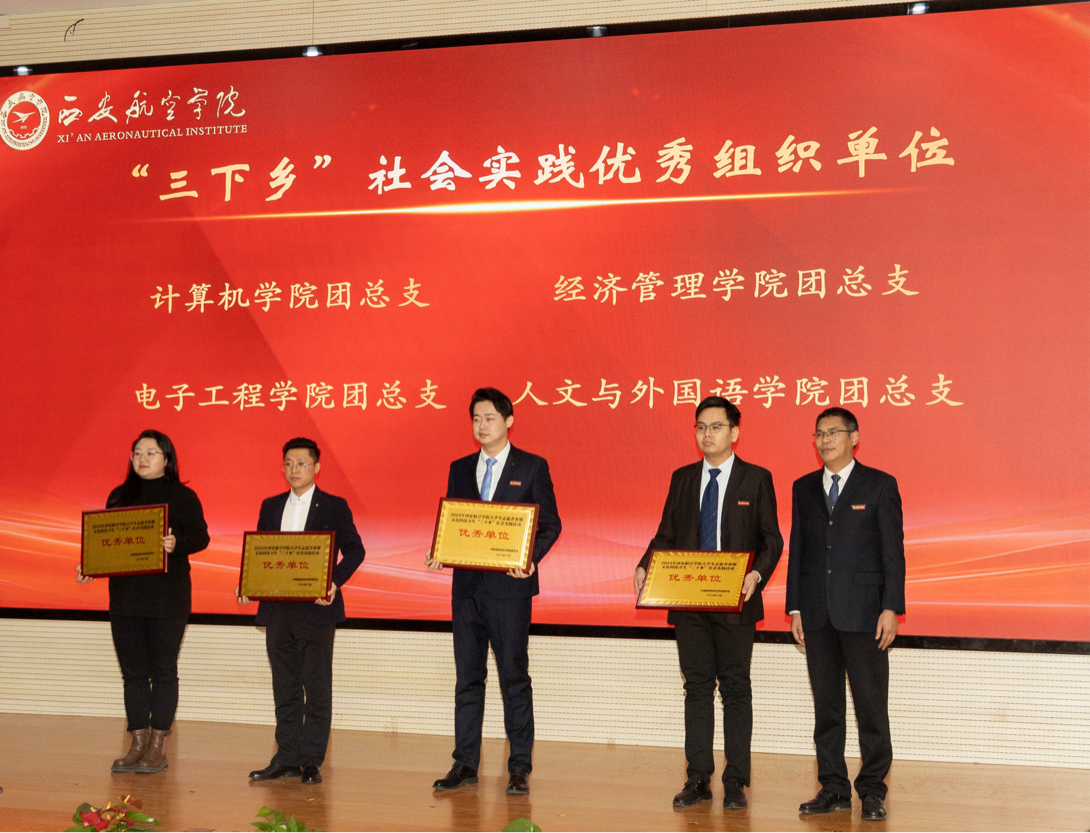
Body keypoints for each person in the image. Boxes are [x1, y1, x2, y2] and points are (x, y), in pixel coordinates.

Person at [634, 396, 783, 809]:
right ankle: (698, 778)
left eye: (716, 427)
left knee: (735, 689)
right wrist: (646, 563)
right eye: (701, 426)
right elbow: (665, 533)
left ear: (734, 432)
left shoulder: (756, 478)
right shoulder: (683, 478)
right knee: (697, 688)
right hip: (689, 601)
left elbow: (772, 539)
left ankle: (735, 781)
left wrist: (756, 574)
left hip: (737, 600)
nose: (707, 434)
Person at [426, 387, 562, 796]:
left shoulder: (532, 466)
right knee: (468, 679)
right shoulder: (459, 468)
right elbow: (456, 522)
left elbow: (551, 524)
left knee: (513, 679)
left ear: (508, 421)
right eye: (476, 419)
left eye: (489, 418)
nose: (481, 426)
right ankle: (465, 763)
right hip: (467, 590)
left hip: (509, 591)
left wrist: (530, 558)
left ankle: (519, 767)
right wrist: (440, 550)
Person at [785, 407, 905, 822]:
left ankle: (872, 790)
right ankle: (833, 787)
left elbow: (892, 552)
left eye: (833, 432)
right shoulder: (803, 487)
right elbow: (798, 549)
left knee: (871, 708)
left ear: (854, 437)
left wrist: (891, 607)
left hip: (865, 614)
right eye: (819, 433)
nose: (824, 440)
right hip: (816, 614)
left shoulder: (880, 484)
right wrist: (795, 607)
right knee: (827, 708)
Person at [77, 429, 210, 774]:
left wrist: (177, 544)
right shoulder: (120, 496)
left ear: (167, 458)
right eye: (137, 453)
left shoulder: (182, 496)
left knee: (163, 670)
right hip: (126, 599)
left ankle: (157, 747)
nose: (142, 459)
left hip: (168, 599)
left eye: (151, 453)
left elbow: (201, 537)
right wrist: (91, 565)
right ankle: (136, 743)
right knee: (133, 673)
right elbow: (109, 543)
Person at [238, 437, 365, 786]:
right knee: (285, 687)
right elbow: (261, 553)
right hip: (278, 610)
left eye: (302, 463)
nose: (294, 469)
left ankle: (311, 760)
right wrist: (247, 584)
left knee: (317, 687)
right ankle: (286, 757)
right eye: (289, 464)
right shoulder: (270, 506)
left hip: (316, 610)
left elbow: (356, 550)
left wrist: (333, 582)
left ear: (316, 467)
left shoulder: (334, 506)